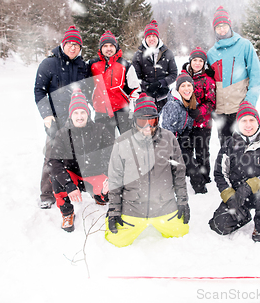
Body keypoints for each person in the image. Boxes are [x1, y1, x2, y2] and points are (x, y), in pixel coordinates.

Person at [105, 93, 190, 247]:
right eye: (142, 121)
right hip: (133, 207)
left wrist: (183, 201)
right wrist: (114, 210)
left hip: (164, 206)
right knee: (114, 240)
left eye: (152, 120)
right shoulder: (122, 142)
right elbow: (115, 179)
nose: (147, 126)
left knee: (182, 234)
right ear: (135, 120)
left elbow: (179, 172)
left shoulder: (169, 138)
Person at [209, 102, 260, 242]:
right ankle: (243, 215)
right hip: (237, 194)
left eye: (252, 120)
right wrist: (229, 196)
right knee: (219, 226)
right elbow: (220, 174)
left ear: (258, 122)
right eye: (244, 120)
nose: (248, 125)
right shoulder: (229, 145)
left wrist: (253, 184)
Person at [34, 25, 89, 209]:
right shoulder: (49, 64)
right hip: (56, 119)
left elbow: (88, 89)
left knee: (77, 153)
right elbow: (39, 91)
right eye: (70, 44)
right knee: (52, 154)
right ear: (63, 44)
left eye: (77, 45)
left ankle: (74, 186)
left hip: (76, 118)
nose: (73, 48)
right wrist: (47, 116)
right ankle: (47, 194)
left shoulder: (82, 66)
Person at [48, 90, 115, 232]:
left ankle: (99, 195)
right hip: (74, 177)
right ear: (71, 115)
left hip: (95, 174)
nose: (79, 116)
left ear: (88, 114)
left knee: (111, 191)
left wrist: (108, 177)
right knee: (56, 177)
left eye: (83, 112)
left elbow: (114, 154)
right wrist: (68, 184)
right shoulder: (62, 134)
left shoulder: (100, 129)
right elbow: (54, 162)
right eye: (76, 113)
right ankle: (67, 213)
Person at [207, 6, 260, 146]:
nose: (222, 29)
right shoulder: (211, 53)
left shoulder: (244, 45)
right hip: (221, 111)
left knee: (244, 149)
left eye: (224, 25)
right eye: (218, 26)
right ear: (214, 29)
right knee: (226, 150)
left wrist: (249, 103)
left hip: (240, 108)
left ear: (230, 25)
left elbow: (256, 77)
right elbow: (207, 82)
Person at [161, 73, 207, 194]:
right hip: (172, 140)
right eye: (183, 86)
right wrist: (177, 142)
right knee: (190, 163)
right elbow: (166, 129)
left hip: (184, 136)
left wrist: (187, 133)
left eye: (189, 85)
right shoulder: (172, 105)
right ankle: (200, 190)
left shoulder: (191, 101)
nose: (187, 89)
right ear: (177, 89)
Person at [86, 30, 140, 136]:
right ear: (101, 48)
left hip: (122, 111)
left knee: (128, 142)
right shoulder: (92, 65)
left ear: (116, 47)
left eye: (111, 45)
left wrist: (131, 111)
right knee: (104, 146)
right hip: (101, 112)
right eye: (105, 46)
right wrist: (91, 102)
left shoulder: (125, 65)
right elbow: (85, 86)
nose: (109, 48)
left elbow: (135, 90)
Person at [182, 47, 216, 187]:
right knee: (187, 150)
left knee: (202, 151)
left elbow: (212, 102)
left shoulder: (208, 80)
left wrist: (199, 111)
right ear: (190, 61)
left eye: (200, 60)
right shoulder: (184, 76)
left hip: (203, 122)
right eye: (194, 60)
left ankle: (204, 176)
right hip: (186, 122)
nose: (197, 63)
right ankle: (191, 174)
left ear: (204, 63)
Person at [132, 20, 178, 112]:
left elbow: (173, 74)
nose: (151, 39)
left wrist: (161, 83)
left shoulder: (167, 53)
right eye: (149, 36)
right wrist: (147, 86)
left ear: (158, 37)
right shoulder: (138, 55)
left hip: (164, 96)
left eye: (154, 36)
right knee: (148, 124)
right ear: (145, 38)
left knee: (165, 124)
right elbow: (135, 77)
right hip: (145, 98)